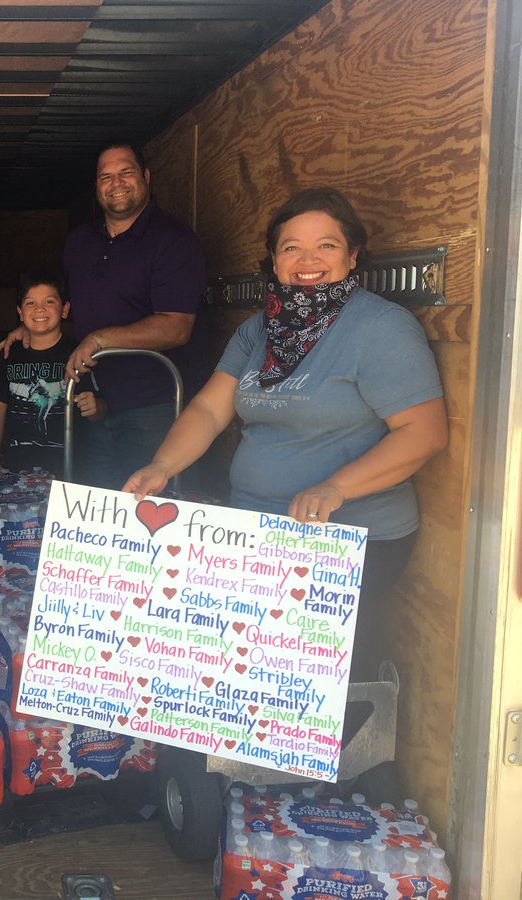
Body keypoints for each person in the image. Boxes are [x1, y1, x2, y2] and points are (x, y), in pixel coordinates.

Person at [124, 187, 447, 680]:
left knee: (295, 679)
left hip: (348, 536)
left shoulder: (380, 327)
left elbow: (423, 433)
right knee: (231, 662)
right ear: (274, 260)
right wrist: (162, 466)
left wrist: (336, 487)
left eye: (327, 245)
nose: (307, 259)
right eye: (291, 247)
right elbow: (211, 410)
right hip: (258, 532)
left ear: (353, 254)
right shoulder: (259, 331)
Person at [0, 140, 208, 489]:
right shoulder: (80, 241)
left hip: (153, 406)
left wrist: (99, 340)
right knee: (97, 514)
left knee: (151, 509)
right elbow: (66, 308)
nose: (116, 183)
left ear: (147, 177)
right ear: (96, 186)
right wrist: (30, 328)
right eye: (105, 176)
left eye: (126, 172)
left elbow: (176, 327)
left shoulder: (173, 241)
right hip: (91, 405)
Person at [0, 272, 106, 478]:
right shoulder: (8, 354)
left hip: (69, 471)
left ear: (65, 309)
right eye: (30, 303)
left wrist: (95, 408)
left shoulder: (78, 354)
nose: (40, 309)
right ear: (20, 313)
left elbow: (100, 411)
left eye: (49, 301)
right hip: (16, 470)